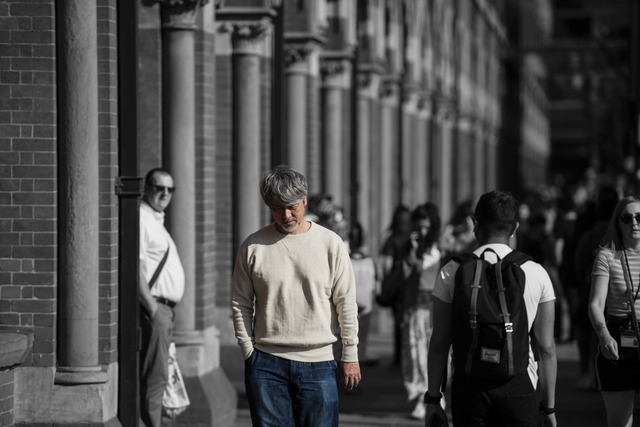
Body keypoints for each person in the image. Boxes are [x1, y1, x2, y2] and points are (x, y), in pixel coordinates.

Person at [231, 165, 361, 427]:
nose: (286, 215)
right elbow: (240, 302)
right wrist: (248, 351)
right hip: (265, 364)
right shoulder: (254, 246)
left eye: (292, 206)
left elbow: (345, 302)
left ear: (305, 200)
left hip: (319, 362)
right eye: (277, 208)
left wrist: (350, 354)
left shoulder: (330, 244)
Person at [425, 190, 557, 427]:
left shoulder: (451, 271)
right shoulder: (536, 272)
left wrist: (433, 398)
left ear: (475, 224)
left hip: (469, 387)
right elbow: (546, 348)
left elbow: (439, 342)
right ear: (514, 227)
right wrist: (548, 407)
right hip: (519, 386)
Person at [139, 168, 185, 427]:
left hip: (164, 311)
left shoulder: (156, 220)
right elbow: (136, 268)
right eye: (159, 188)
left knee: (161, 372)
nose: (165, 193)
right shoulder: (143, 219)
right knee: (156, 375)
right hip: (156, 309)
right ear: (147, 188)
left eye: (170, 189)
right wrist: (154, 310)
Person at [588, 195, 640, 427]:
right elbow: (595, 304)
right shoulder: (607, 256)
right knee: (620, 423)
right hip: (618, 337)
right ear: (618, 223)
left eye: (639, 217)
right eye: (627, 218)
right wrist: (604, 335)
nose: (634, 223)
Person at [399, 203, 442, 420]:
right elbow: (409, 269)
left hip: (436, 305)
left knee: (434, 352)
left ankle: (436, 395)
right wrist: (413, 247)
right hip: (416, 305)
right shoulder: (412, 246)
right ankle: (420, 397)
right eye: (419, 227)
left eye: (427, 227)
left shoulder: (441, 245)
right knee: (415, 354)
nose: (423, 231)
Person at [379, 204, 413, 365]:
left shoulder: (392, 237)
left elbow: (387, 263)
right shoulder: (413, 236)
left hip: (397, 284)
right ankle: (409, 353)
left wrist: (384, 280)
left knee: (398, 319)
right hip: (412, 282)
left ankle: (398, 355)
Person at [348, 221, 378, 364]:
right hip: (366, 307)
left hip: (349, 306)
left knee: (347, 345)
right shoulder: (370, 262)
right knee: (362, 344)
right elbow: (375, 287)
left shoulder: (346, 260)